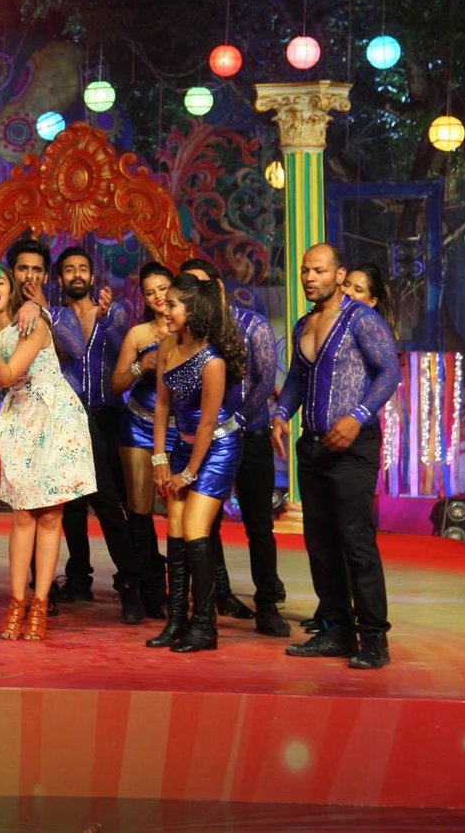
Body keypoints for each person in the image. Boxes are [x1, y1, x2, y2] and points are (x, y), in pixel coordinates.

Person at [272, 244, 402, 671]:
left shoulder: (361, 319)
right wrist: (280, 414)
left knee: (355, 542)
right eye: (305, 270)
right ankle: (336, 630)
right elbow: (297, 377)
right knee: (320, 543)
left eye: (319, 270)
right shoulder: (303, 324)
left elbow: (390, 371)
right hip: (312, 446)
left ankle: (374, 638)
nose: (310, 277)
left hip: (353, 447)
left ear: (339, 275)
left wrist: (358, 416)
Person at [0, 263, 94, 642]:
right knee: (23, 514)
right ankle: (17, 602)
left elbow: (6, 375)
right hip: (20, 421)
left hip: (54, 419)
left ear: (11, 289)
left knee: (51, 515)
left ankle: (40, 604)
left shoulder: (33, 322)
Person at [180, 258, 289, 638]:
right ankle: (212, 601)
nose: (197, 295)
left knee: (259, 525)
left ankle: (268, 605)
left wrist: (235, 421)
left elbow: (264, 382)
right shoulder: (190, 336)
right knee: (204, 525)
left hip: (250, 434)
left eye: (203, 286)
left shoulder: (253, 325)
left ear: (219, 287)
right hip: (206, 442)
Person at [146, 273, 248, 653]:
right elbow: (162, 406)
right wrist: (160, 459)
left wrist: (188, 474)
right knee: (174, 527)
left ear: (192, 311)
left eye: (172, 304)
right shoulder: (167, 346)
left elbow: (207, 424)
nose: (164, 309)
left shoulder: (213, 361)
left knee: (193, 528)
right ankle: (177, 620)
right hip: (182, 446)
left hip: (218, 448)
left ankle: (205, 628)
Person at [42, 247, 143, 623]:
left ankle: (130, 584)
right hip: (69, 418)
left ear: (92, 276)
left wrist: (108, 322)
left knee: (109, 503)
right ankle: (78, 578)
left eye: (82, 268)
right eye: (69, 269)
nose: (77, 275)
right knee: (71, 504)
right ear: (60, 278)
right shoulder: (53, 315)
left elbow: (126, 356)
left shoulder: (114, 314)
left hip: (107, 417)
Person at [108, 262, 174, 619]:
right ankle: (144, 589)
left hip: (179, 427)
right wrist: (140, 366)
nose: (158, 297)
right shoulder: (138, 334)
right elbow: (116, 384)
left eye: (163, 288)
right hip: (137, 425)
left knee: (180, 513)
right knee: (139, 510)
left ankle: (178, 590)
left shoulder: (190, 328)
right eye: (150, 292)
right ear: (144, 298)